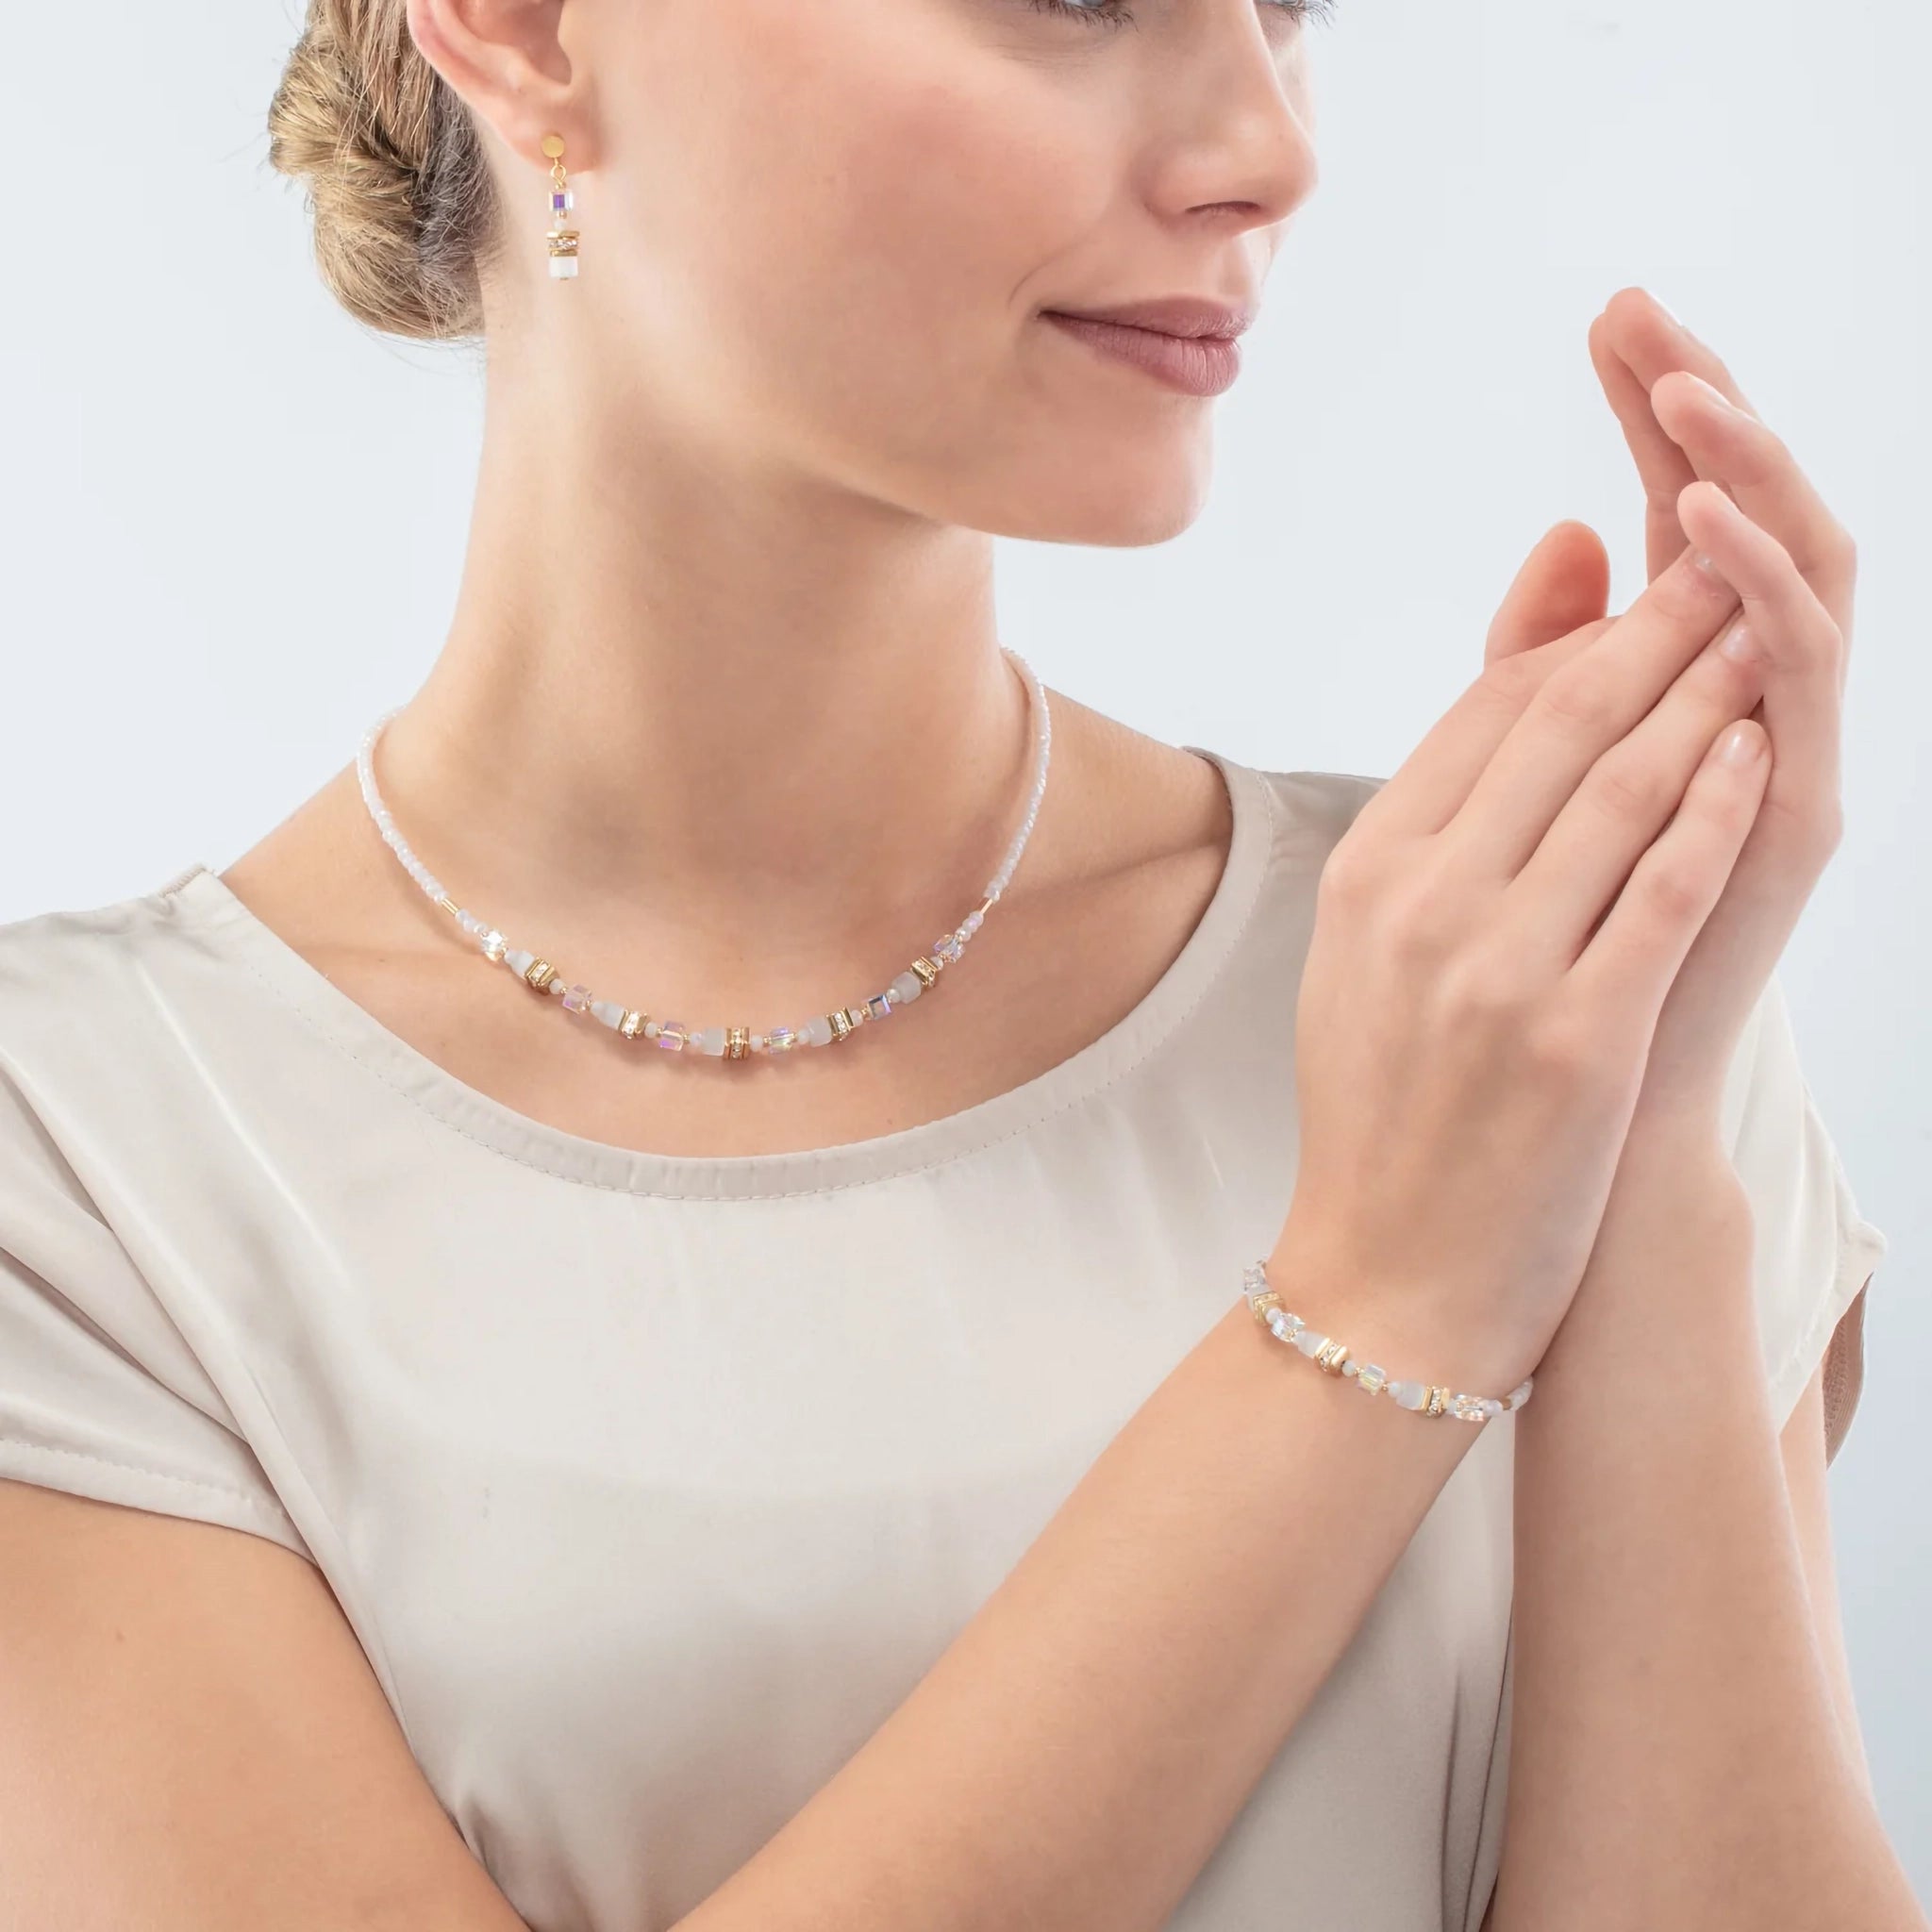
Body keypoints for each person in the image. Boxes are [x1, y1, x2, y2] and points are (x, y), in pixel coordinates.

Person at [0, 2, 1917, 1928]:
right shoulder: (92, 1177)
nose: (1271, 142)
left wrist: (1645, 1125)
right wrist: (1383, 1304)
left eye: (1285, 9)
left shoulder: (1512, 987)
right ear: (522, 30)